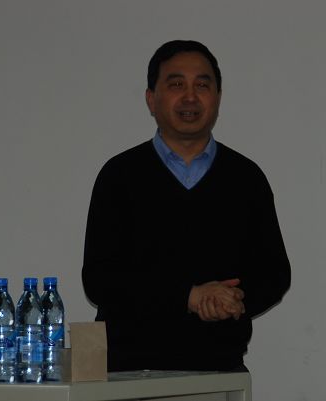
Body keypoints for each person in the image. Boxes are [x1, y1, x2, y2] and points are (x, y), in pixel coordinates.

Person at [82, 40, 291, 372]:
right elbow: (100, 279)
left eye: (202, 85)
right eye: (176, 84)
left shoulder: (246, 177)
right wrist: (188, 296)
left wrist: (233, 300)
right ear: (151, 99)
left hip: (220, 370)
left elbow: (274, 274)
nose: (190, 97)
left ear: (218, 98)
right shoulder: (119, 175)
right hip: (128, 373)